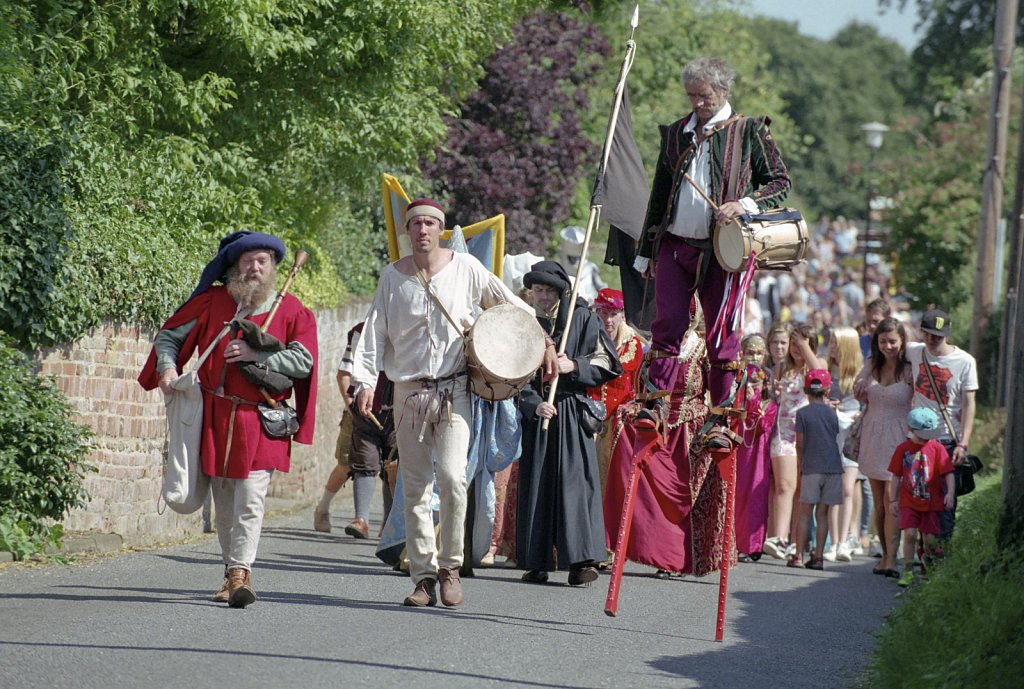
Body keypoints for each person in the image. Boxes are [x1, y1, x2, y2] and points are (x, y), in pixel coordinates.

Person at [351, 198, 549, 608]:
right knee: (415, 487)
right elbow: (373, 334)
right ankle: (423, 577)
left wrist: (542, 340)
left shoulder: (466, 268)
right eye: (416, 224)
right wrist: (364, 381)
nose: (423, 230)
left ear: (440, 229)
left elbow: (509, 306)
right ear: (408, 230)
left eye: (430, 223)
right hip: (408, 392)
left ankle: (450, 567)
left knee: (454, 479)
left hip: (454, 390)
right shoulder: (392, 277)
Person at [138, 231, 318, 608]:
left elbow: (304, 362)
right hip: (216, 416)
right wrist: (168, 369)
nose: (254, 268)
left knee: (250, 499)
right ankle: (230, 570)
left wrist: (257, 354)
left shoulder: (291, 309)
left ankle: (240, 572)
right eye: (247, 261)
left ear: (273, 266)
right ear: (235, 266)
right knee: (223, 502)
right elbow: (169, 337)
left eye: (262, 261)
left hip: (262, 418)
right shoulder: (213, 302)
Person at [632, 56, 790, 437]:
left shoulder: (750, 130)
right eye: (691, 96)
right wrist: (646, 251)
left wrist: (744, 204)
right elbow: (659, 195)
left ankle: (721, 418)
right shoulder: (676, 134)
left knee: (721, 334)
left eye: (703, 96)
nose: (697, 103)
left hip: (723, 251)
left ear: (723, 90)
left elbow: (779, 183)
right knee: (667, 323)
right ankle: (655, 403)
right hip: (674, 244)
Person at [518, 261, 621, 586]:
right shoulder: (524, 322)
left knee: (575, 486)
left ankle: (581, 562)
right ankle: (536, 562)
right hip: (540, 413)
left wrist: (574, 365)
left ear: (561, 292)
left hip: (573, 413)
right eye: (538, 291)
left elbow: (609, 361)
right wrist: (532, 404)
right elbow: (512, 374)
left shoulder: (583, 318)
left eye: (549, 291)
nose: (543, 297)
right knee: (538, 486)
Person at [314, 322, 395, 538]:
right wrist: (351, 405)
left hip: (396, 414)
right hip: (361, 414)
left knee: (392, 467)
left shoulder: (409, 329)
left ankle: (388, 524)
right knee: (351, 464)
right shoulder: (362, 332)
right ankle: (336, 512)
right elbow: (344, 374)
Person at [905, 308, 978, 542]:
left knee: (946, 505)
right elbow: (883, 349)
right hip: (920, 442)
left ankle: (942, 556)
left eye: (937, 335)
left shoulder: (965, 361)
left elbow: (969, 404)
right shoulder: (914, 351)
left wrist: (963, 443)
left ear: (946, 334)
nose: (931, 339)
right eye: (927, 334)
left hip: (948, 442)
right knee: (918, 501)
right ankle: (922, 553)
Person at [763, 322, 827, 560]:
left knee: (801, 490)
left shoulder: (818, 365)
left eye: (802, 344)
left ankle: (796, 543)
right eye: (794, 343)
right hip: (784, 434)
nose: (796, 348)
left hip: (808, 435)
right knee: (784, 485)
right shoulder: (783, 368)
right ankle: (779, 538)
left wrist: (803, 344)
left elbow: (819, 374)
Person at [854, 317, 913, 577]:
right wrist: (860, 388)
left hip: (898, 438)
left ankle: (891, 557)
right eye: (882, 341)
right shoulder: (872, 365)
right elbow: (858, 388)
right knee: (879, 503)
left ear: (902, 341)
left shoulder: (909, 369)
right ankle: (884, 553)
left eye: (892, 341)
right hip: (872, 436)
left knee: (892, 498)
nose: (887, 346)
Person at [587, 288, 644, 498]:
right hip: (589, 421)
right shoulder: (586, 339)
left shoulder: (634, 345)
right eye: (603, 313)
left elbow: (637, 386)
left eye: (613, 314)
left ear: (622, 316)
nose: (608, 320)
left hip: (619, 426)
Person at [887, 407, 954, 587]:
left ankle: (928, 564)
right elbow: (895, 476)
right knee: (909, 534)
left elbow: (948, 473)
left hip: (932, 503)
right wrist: (893, 499)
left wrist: (950, 493)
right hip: (909, 501)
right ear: (910, 429)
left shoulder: (937, 448)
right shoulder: (903, 449)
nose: (925, 439)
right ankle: (908, 571)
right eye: (922, 435)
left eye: (929, 435)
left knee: (930, 541)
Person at [790, 369, 843, 570]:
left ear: (805, 390)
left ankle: (798, 556)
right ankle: (819, 557)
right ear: (827, 391)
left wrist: (800, 464)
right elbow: (834, 435)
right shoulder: (832, 413)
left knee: (805, 512)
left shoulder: (802, 413)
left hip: (811, 466)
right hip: (833, 467)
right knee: (823, 513)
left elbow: (800, 443)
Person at [733, 334, 777, 560]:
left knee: (755, 497)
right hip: (737, 451)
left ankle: (752, 544)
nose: (755, 357)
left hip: (758, 457)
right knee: (735, 495)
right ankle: (731, 542)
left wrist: (754, 399)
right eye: (750, 352)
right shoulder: (734, 390)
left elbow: (762, 425)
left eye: (759, 353)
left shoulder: (769, 402)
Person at [829, 326, 863, 562]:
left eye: (835, 343)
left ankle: (845, 541)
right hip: (832, 432)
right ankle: (834, 543)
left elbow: (867, 403)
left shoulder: (860, 374)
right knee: (834, 489)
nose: (831, 347)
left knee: (848, 488)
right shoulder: (827, 369)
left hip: (851, 435)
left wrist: (859, 414)